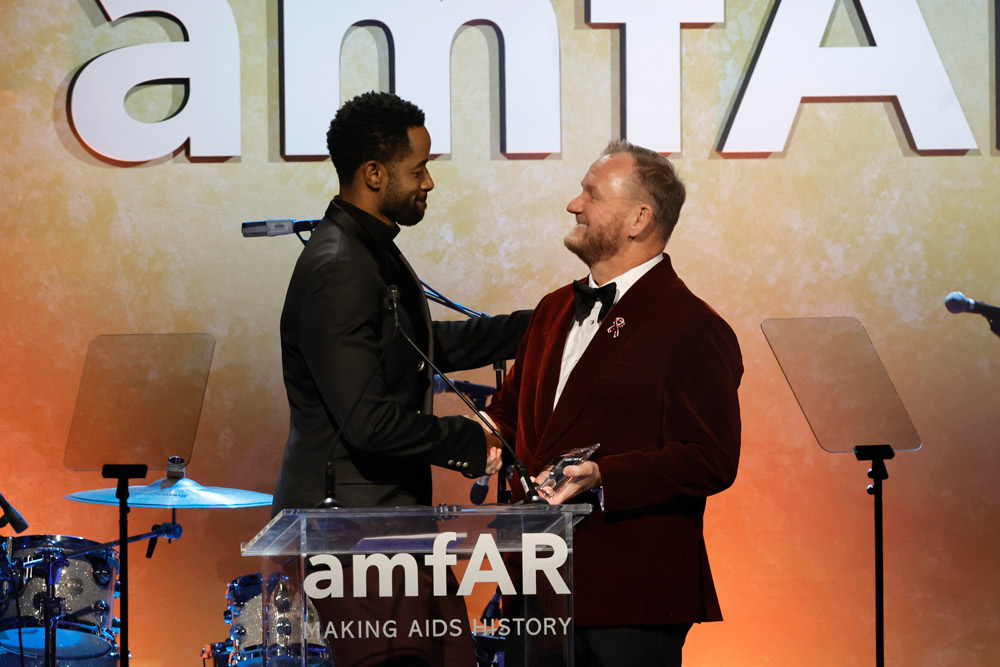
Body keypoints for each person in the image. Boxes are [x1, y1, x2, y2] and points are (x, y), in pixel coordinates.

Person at [271, 91, 531, 666]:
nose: (429, 183)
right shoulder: (340, 267)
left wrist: (543, 325)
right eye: (419, 169)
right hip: (355, 533)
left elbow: (420, 345)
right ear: (373, 172)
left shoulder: (369, 251)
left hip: (390, 524)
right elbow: (365, 422)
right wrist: (471, 442)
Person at [484, 140, 743, 667]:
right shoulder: (553, 308)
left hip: (631, 598)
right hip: (535, 584)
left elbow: (709, 459)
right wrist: (485, 436)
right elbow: (512, 416)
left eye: (590, 194)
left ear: (638, 218)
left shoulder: (693, 327)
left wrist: (604, 475)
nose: (573, 205)